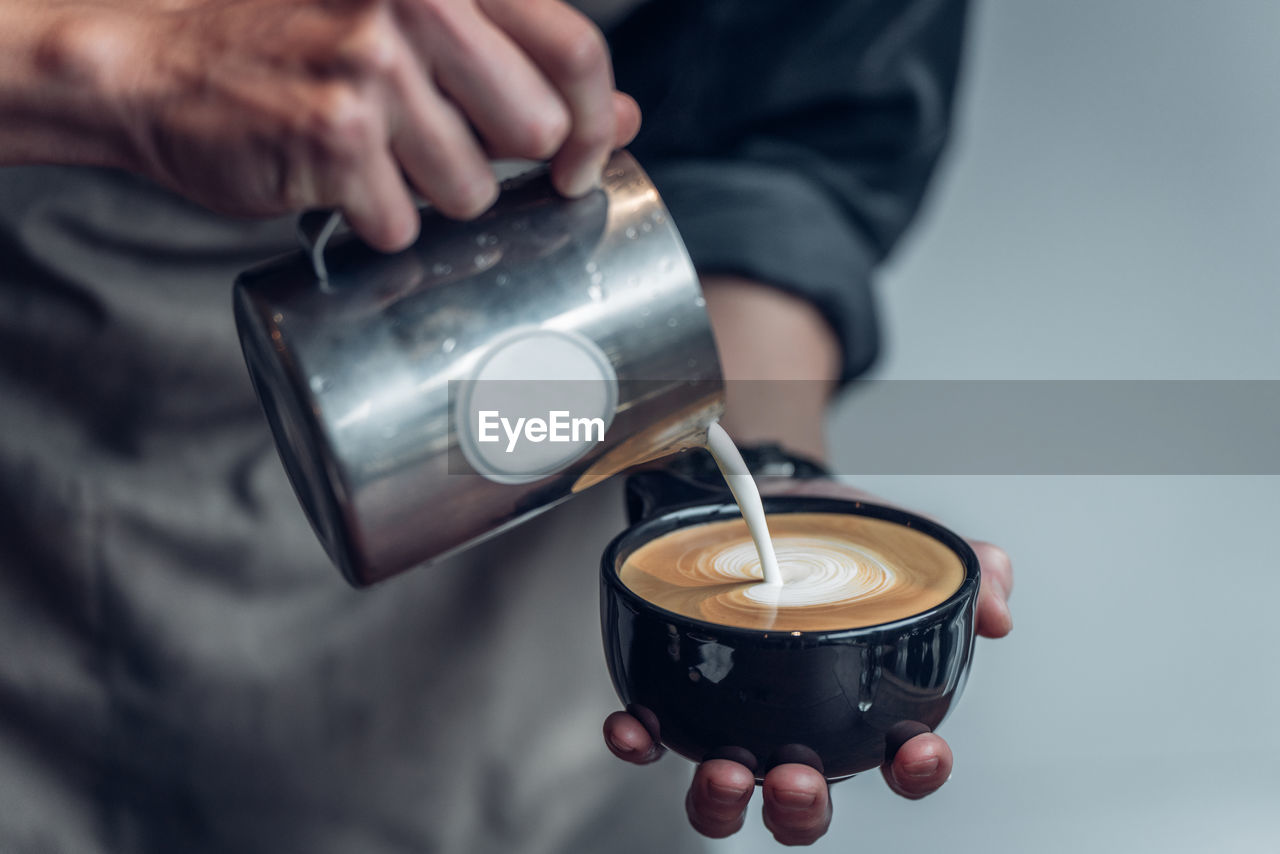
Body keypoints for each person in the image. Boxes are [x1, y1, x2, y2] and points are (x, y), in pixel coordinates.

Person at [0, 0, 1013, 849]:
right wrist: (111, 62)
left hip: (527, 648)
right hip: (40, 533)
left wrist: (766, 464)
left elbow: (777, 141)